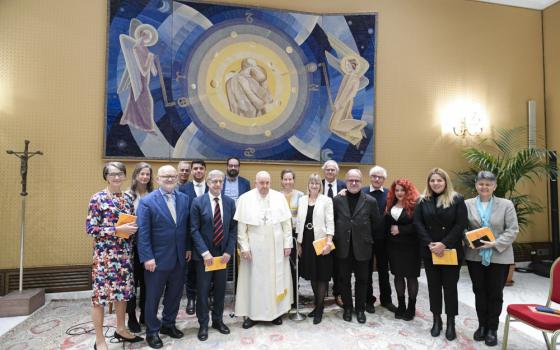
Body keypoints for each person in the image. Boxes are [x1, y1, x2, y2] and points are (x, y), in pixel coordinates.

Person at [86, 162, 143, 350]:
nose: (117, 177)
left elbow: (131, 223)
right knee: (100, 298)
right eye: (112, 174)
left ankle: (121, 328)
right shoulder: (97, 198)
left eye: (120, 174)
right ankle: (100, 339)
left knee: (123, 295)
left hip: (124, 256)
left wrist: (131, 229)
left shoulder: (127, 199)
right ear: (106, 176)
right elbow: (91, 229)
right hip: (104, 258)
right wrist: (117, 229)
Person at [137, 165, 190, 349]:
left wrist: (188, 248)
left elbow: (186, 227)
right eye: (165, 176)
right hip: (156, 260)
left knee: (174, 295)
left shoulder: (184, 199)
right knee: (153, 297)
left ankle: (168, 324)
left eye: (173, 176)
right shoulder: (147, 202)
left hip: (179, 258)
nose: (169, 179)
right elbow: (143, 233)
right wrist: (147, 257)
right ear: (158, 179)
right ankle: (152, 332)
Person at [465, 171, 519, 347]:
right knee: (479, 291)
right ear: (476, 185)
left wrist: (494, 243)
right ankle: (481, 326)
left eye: (488, 184)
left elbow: (512, 229)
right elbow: (462, 227)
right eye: (481, 183)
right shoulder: (467, 204)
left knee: (495, 293)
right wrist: (470, 239)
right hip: (475, 255)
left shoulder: (506, 204)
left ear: (494, 186)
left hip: (500, 255)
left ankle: (492, 329)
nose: (484, 187)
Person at [414, 168, 467, 341]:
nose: (436, 183)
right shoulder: (422, 200)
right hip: (430, 251)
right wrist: (430, 244)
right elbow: (418, 224)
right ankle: (436, 320)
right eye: (432, 180)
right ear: (428, 182)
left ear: (446, 182)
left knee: (450, 288)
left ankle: (451, 322)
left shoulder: (457, 199)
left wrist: (444, 244)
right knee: (433, 287)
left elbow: (460, 224)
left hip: (450, 250)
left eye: (439, 180)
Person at [234, 171, 293, 328]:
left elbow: (287, 224)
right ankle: (252, 315)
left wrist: (288, 244)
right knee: (254, 282)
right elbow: (241, 228)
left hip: (276, 248)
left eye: (267, 183)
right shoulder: (245, 199)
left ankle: (276, 314)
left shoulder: (279, 197)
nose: (265, 186)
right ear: (255, 183)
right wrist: (244, 248)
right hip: (254, 249)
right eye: (261, 183)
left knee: (275, 281)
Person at [190, 170, 237, 341]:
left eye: (220, 181)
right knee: (202, 291)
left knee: (220, 290)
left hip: (222, 256)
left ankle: (218, 320)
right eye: (214, 181)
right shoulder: (198, 202)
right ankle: (203, 324)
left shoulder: (230, 203)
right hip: (205, 256)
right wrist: (204, 253)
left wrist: (228, 251)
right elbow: (193, 230)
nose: (217, 184)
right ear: (208, 183)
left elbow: (233, 229)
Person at [333, 169, 380, 324]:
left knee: (362, 280)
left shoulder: (370, 201)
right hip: (342, 247)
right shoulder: (337, 200)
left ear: (361, 182)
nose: (354, 183)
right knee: (343, 280)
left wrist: (369, 241)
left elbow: (376, 225)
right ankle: (347, 307)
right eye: (350, 180)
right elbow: (332, 222)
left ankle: (360, 309)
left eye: (357, 180)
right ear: (346, 182)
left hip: (363, 248)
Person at [296, 173, 334, 324]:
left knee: (322, 275)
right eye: (312, 183)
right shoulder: (302, 200)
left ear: (320, 186)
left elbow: (330, 222)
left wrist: (329, 242)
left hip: (321, 241)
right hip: (306, 241)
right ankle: (318, 305)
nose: (314, 185)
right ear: (308, 185)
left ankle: (319, 308)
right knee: (312, 274)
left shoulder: (326, 200)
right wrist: (299, 243)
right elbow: (299, 222)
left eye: (317, 183)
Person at [385, 178, 421, 321]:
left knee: (411, 277)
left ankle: (411, 306)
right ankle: (401, 305)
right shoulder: (391, 204)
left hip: (411, 247)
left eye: (402, 190)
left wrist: (400, 229)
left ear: (408, 191)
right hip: (394, 246)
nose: (399, 193)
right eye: (397, 190)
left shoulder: (415, 205)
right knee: (398, 276)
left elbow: (419, 225)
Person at [363, 165, 396, 313]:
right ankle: (368, 300)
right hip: (365, 239)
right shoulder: (362, 192)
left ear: (384, 179)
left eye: (380, 177)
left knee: (384, 270)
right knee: (366, 271)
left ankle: (386, 300)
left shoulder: (390, 194)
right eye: (374, 176)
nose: (377, 179)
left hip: (384, 239)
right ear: (370, 178)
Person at [126, 162, 154, 332]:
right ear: (136, 175)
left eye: (147, 174)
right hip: (131, 248)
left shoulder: (153, 195)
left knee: (147, 283)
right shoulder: (128, 196)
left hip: (149, 247)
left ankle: (145, 313)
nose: (144, 177)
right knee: (132, 283)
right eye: (142, 174)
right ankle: (131, 317)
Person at [178, 159, 207, 315]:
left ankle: (207, 298)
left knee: (209, 270)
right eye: (195, 168)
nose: (198, 171)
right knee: (191, 272)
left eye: (201, 168)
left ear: (204, 171)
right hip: (190, 238)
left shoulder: (212, 188)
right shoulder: (183, 189)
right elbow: (183, 218)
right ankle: (191, 299)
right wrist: (187, 246)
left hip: (209, 238)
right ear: (191, 171)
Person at [321, 160, 346, 307]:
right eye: (328, 170)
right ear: (324, 171)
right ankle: (321, 293)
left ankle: (338, 293)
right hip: (322, 232)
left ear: (337, 172)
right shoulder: (318, 184)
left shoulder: (344, 186)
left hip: (340, 232)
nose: (330, 172)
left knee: (339, 265)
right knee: (323, 263)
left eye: (333, 170)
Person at [280, 169, 304, 308]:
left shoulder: (301, 196)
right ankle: (283, 298)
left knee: (295, 266)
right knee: (283, 266)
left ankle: (295, 298)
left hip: (296, 235)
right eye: (285, 179)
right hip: (281, 235)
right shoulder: (276, 196)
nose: (288, 181)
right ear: (282, 180)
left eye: (290, 179)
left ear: (293, 180)